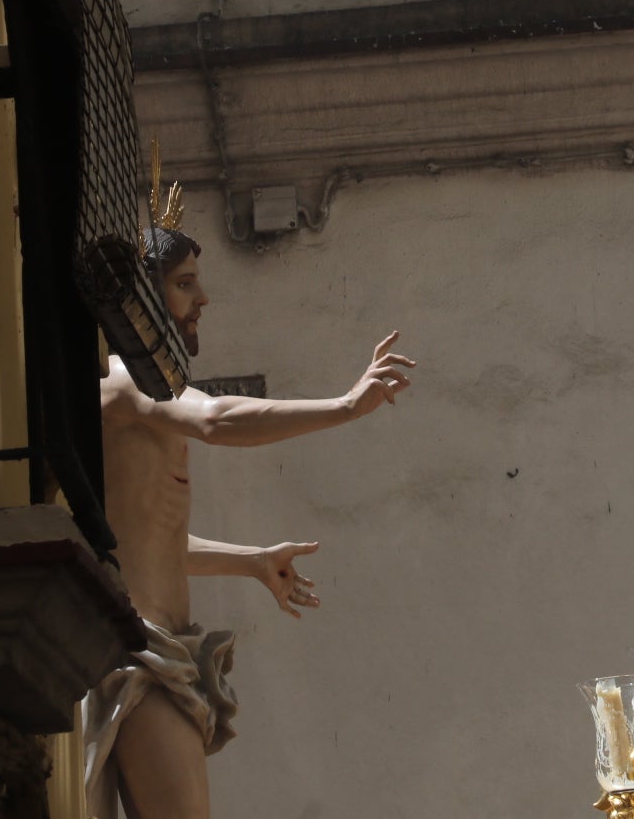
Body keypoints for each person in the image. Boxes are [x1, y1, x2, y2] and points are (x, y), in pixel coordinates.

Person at [83, 193, 416, 819]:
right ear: (143, 299)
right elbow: (217, 419)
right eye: (184, 285)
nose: (201, 301)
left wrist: (251, 560)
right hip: (139, 651)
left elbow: (149, 543)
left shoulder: (139, 398)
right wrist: (344, 407)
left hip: (158, 646)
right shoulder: (130, 380)